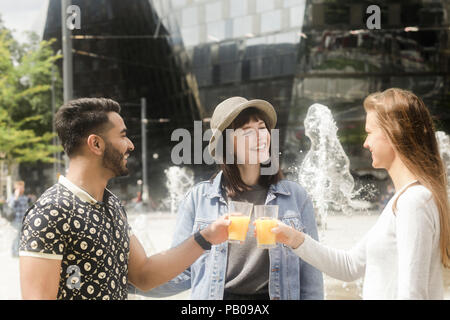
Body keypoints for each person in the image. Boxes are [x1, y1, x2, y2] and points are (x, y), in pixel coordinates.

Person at [18, 98, 230, 300]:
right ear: (96, 144)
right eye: (122, 136)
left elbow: (144, 275)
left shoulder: (111, 204)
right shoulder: (50, 212)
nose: (130, 145)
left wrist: (206, 237)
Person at [135, 96, 324, 300]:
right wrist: (129, 280)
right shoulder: (199, 199)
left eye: (262, 128)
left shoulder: (295, 197)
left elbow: (311, 274)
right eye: (246, 131)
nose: (259, 137)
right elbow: (181, 271)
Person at [270, 88, 450, 299]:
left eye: (370, 132)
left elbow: (413, 293)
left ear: (394, 133)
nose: (366, 142)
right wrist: (295, 238)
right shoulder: (404, 199)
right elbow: (350, 266)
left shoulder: (414, 201)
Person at [7, 181, 30, 257]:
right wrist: (16, 198)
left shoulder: (24, 197)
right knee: (16, 237)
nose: (22, 189)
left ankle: (19, 251)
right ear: (16, 188)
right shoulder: (12, 197)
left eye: (23, 187)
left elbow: (26, 208)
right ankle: (15, 253)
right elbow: (10, 207)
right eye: (20, 187)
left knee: (22, 237)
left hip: (23, 220)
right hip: (15, 221)